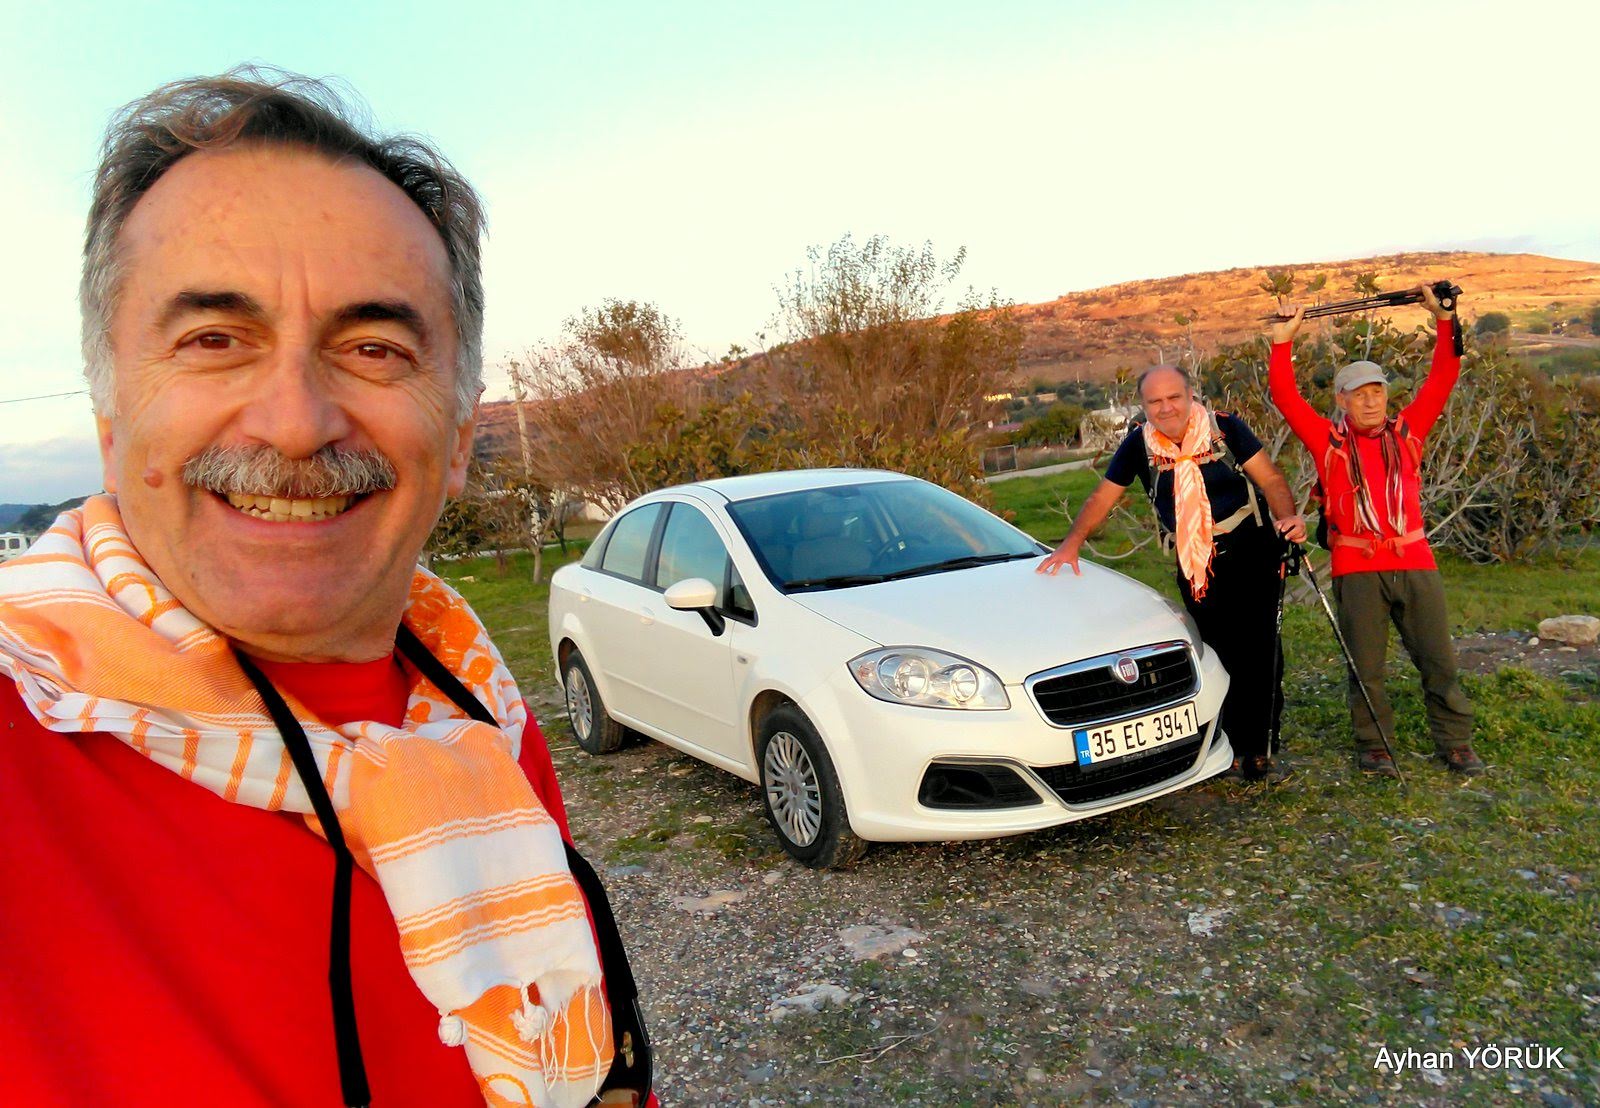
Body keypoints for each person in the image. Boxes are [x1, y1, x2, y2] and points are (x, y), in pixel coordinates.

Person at [0, 70, 648, 1107]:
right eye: (215, 341)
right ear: (111, 419)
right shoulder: (24, 730)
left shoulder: (474, 716)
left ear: (459, 439)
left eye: (373, 349)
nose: (297, 422)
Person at [1038, 365, 1307, 782]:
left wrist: (1287, 517)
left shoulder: (1225, 430)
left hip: (1251, 550)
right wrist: (1071, 543)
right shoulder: (1138, 445)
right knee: (1216, 652)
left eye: (1173, 397)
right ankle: (1230, 746)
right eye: (1155, 401)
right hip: (1196, 563)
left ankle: (1261, 748)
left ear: (1190, 394)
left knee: (1261, 651)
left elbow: (1270, 479)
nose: (1166, 408)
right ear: (1144, 406)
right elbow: (1102, 497)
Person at [1266, 289, 1483, 778]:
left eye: (1377, 392)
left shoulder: (1409, 431)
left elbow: (1444, 376)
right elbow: (1285, 397)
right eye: (1359, 394)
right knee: (1366, 669)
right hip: (1357, 567)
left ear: (1387, 395)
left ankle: (1456, 743)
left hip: (1415, 561)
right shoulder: (1327, 441)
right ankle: (1375, 747)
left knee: (1439, 661)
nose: (1370, 401)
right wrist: (1283, 341)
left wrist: (1444, 319)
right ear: (1341, 400)